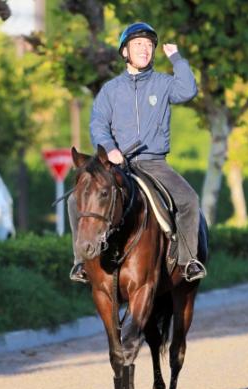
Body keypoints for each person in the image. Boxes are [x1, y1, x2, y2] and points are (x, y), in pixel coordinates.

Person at [68, 22, 206, 283]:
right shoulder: (110, 90)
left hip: (154, 163)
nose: (145, 49)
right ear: (125, 52)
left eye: (149, 45)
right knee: (74, 201)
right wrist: (110, 148)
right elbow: (98, 123)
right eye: (138, 44)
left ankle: (188, 262)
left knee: (189, 200)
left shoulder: (165, 84)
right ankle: (81, 262)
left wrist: (176, 58)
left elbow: (188, 90)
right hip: (116, 165)